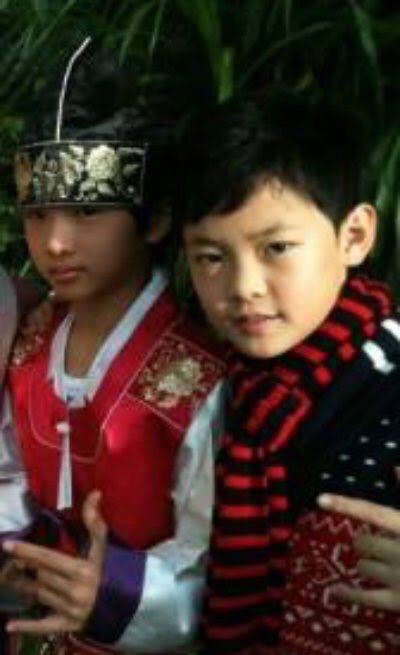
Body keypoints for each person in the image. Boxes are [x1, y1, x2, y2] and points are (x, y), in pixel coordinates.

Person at [0, 39, 225, 655]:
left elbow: (209, 555)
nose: (56, 243)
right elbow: (12, 472)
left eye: (88, 212)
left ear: (155, 220)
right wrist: (16, 552)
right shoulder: (29, 342)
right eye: (38, 215)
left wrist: (112, 593)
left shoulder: (196, 374)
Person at [177, 93, 400, 654]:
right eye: (211, 257)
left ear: (354, 236)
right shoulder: (218, 386)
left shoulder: (389, 384)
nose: (244, 286)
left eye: (276, 247)